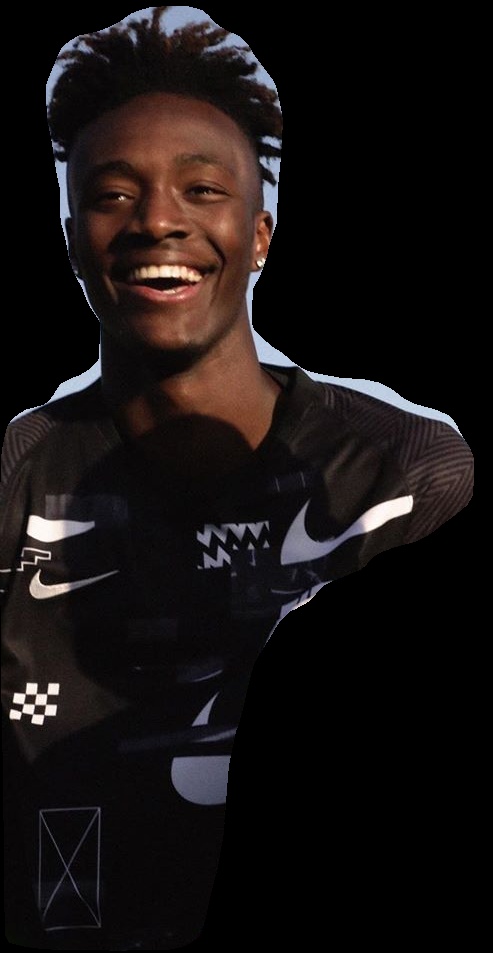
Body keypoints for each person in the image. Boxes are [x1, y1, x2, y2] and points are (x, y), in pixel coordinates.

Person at [1, 6, 474, 950]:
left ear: (259, 235)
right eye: (113, 193)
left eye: (202, 188)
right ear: (71, 238)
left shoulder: (406, 477)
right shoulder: (13, 479)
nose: (157, 219)